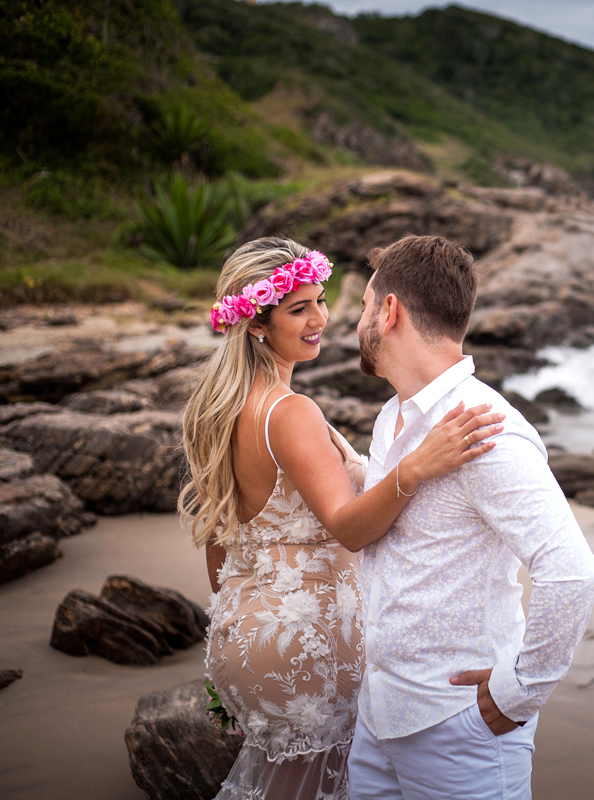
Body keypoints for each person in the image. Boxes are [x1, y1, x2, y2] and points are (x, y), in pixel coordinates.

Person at [179, 237, 505, 800]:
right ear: (256, 324)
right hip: (307, 643)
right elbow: (350, 528)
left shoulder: (221, 408)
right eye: (298, 308)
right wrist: (417, 466)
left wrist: (237, 631)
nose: (320, 319)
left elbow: (217, 537)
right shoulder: (289, 412)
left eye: (321, 301)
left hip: (245, 633)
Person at [347, 234, 594, 800]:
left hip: (458, 727)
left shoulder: (489, 431)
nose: (357, 321)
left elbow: (571, 572)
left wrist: (519, 693)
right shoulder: (393, 418)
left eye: (364, 306)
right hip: (380, 716)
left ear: (390, 312)